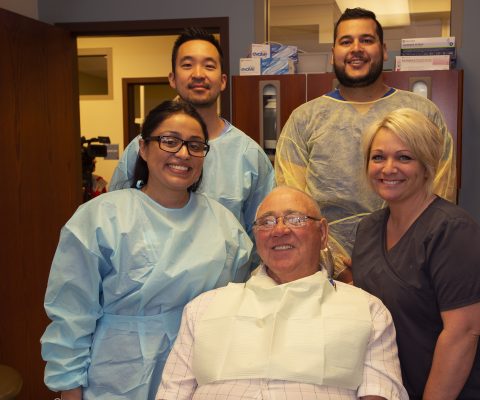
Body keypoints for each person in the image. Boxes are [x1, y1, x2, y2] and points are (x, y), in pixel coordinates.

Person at [41, 101, 253, 400]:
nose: (183, 153)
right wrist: (69, 389)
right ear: (143, 148)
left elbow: (237, 307)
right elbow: (72, 314)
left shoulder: (225, 226)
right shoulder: (101, 218)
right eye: (169, 141)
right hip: (116, 377)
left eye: (195, 145)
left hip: (199, 376)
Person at [156, 186, 409, 400]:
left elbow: (379, 392)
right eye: (266, 222)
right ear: (256, 236)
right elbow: (172, 393)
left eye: (295, 219)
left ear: (322, 234)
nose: (279, 230)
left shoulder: (367, 310)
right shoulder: (204, 308)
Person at [275, 8, 456, 281]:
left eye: (366, 40)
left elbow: (440, 189)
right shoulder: (304, 119)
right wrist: (336, 264)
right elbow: (292, 199)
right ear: (333, 51)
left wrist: (399, 255)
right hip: (325, 268)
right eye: (346, 41)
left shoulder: (421, 111)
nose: (356, 49)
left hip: (408, 264)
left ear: (384, 50)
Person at [352, 108, 480, 399]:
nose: (388, 168)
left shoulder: (453, 232)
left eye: (404, 157)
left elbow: (463, 335)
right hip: (397, 385)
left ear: (427, 165)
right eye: (378, 157)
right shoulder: (369, 229)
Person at [110, 27, 274, 240]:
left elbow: (264, 230)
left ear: (223, 80)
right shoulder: (144, 146)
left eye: (209, 66)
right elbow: (116, 213)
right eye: (187, 65)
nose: (198, 74)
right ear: (172, 78)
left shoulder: (249, 155)